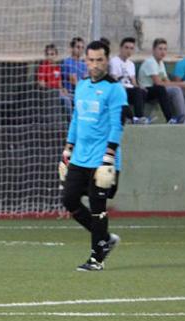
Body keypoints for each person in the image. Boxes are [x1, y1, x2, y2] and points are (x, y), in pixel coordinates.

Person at [59, 40, 126, 271]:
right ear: (85, 61)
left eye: (99, 60)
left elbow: (118, 124)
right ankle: (105, 238)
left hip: (102, 158)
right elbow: (77, 119)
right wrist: (68, 148)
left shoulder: (115, 88)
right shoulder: (82, 86)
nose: (95, 65)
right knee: (69, 199)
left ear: (107, 60)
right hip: (80, 157)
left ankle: (96, 258)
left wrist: (109, 156)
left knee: (98, 206)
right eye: (91, 60)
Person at [137, 38, 185, 124]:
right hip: (148, 91)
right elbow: (158, 83)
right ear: (154, 50)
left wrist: (182, 85)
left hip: (160, 90)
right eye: (160, 49)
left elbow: (167, 81)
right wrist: (180, 84)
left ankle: (183, 116)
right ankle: (183, 118)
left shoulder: (160, 63)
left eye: (165, 49)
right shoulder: (150, 62)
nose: (163, 52)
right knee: (176, 89)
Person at [109, 37, 150, 124]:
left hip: (131, 89)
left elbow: (134, 82)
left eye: (131, 48)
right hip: (120, 89)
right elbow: (114, 79)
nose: (128, 51)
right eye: (126, 48)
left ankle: (138, 117)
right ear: (121, 48)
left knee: (141, 91)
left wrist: (140, 88)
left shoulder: (131, 64)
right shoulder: (114, 61)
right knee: (135, 92)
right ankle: (139, 117)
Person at [36, 43, 72, 113]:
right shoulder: (43, 66)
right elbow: (41, 83)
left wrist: (63, 89)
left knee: (72, 97)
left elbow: (59, 83)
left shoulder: (57, 67)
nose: (50, 57)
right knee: (66, 100)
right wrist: (55, 89)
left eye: (52, 54)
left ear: (56, 55)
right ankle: (70, 120)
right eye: (48, 54)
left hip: (58, 92)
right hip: (49, 93)